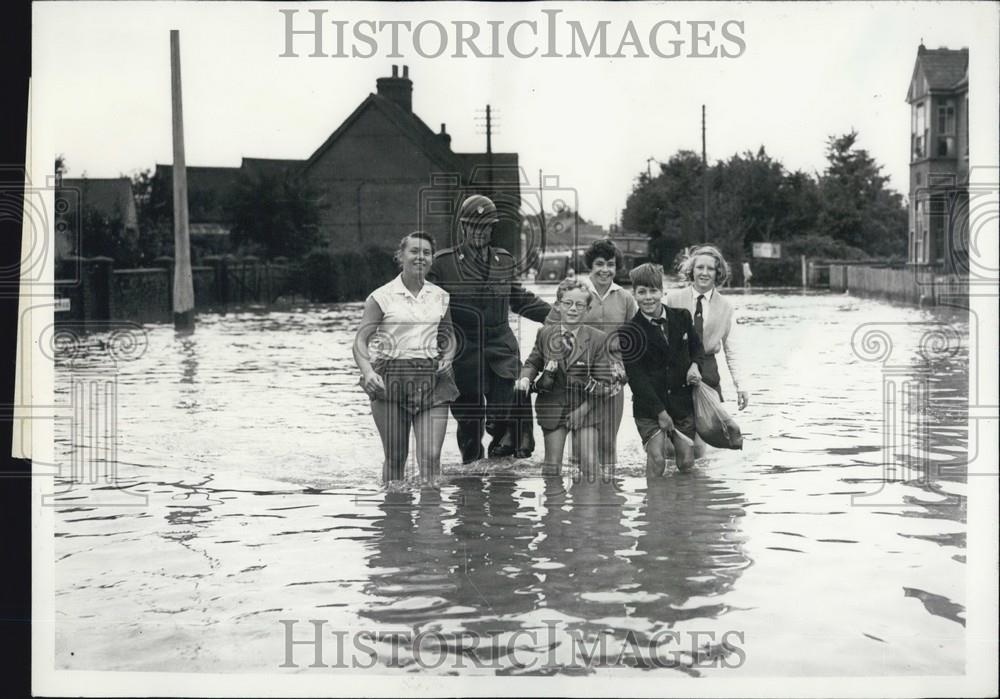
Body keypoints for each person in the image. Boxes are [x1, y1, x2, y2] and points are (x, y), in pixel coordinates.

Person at [427, 195, 552, 464]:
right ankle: (470, 491)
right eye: (474, 226)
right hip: (463, 357)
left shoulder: (503, 260)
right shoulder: (442, 265)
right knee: (470, 431)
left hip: (501, 352)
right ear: (463, 227)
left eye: (486, 226)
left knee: (504, 425)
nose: (480, 232)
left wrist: (558, 316)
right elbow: (425, 310)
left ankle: (502, 494)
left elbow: (520, 299)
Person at [353, 232, 458, 482]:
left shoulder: (441, 296)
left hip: (432, 379)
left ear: (432, 259)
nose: (420, 257)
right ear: (401, 256)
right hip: (390, 379)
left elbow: (449, 336)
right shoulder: (380, 296)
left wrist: (449, 357)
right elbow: (360, 341)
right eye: (414, 251)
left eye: (426, 252)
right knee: (396, 457)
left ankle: (430, 516)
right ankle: (395, 515)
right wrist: (368, 372)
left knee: (431, 456)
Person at [545, 239, 635, 466]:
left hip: (613, 379)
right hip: (579, 378)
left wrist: (625, 366)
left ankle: (610, 496)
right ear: (590, 265)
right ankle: (581, 497)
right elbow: (549, 329)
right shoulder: (577, 293)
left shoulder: (625, 298)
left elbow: (637, 339)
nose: (606, 270)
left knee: (607, 443)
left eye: (611, 264)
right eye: (600, 263)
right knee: (581, 445)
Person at [517, 279, 616, 476]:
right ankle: (554, 505)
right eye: (567, 303)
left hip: (587, 407)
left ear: (587, 310)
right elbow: (533, 362)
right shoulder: (544, 333)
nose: (573, 309)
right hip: (553, 405)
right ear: (558, 305)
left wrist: (582, 411)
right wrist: (526, 378)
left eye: (579, 305)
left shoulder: (598, 338)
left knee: (589, 464)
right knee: (552, 466)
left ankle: (588, 505)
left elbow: (605, 384)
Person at [619, 262, 706, 475]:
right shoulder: (629, 332)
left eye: (653, 291)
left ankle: (684, 505)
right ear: (634, 294)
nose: (648, 297)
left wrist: (695, 365)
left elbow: (698, 349)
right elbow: (637, 378)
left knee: (686, 462)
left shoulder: (682, 317)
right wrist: (660, 412)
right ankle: (654, 506)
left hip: (682, 403)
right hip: (648, 406)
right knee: (657, 459)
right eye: (642, 292)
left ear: (662, 291)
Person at [666, 245, 749, 411]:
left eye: (710, 268)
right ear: (691, 270)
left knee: (710, 434)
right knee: (678, 434)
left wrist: (741, 386)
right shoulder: (671, 300)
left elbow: (732, 351)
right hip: (676, 378)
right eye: (699, 267)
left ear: (718, 273)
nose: (704, 273)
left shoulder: (726, 307)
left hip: (709, 378)